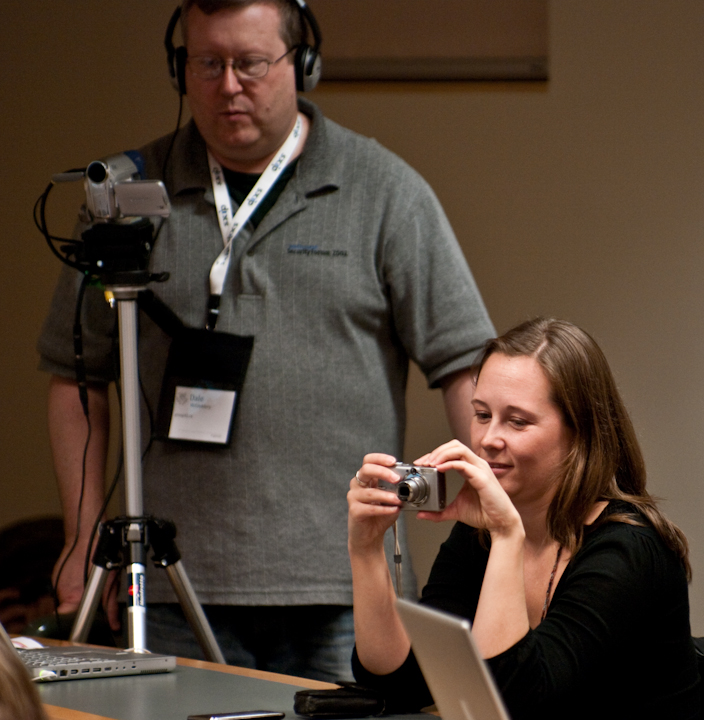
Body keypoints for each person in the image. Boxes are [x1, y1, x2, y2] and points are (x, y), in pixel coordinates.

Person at [37, 0, 494, 682]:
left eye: (250, 63)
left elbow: (467, 368)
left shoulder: (384, 192)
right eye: (207, 63)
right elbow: (76, 377)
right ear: (179, 68)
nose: (228, 85)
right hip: (174, 582)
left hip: (345, 582)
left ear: (301, 63)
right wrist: (80, 538)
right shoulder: (126, 196)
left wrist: (496, 524)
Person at [348, 317, 701, 719]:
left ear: (579, 434)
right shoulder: (477, 535)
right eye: (482, 414)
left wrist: (505, 535)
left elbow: (512, 705)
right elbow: (402, 683)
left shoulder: (629, 551)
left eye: (517, 421)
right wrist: (365, 548)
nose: (487, 439)